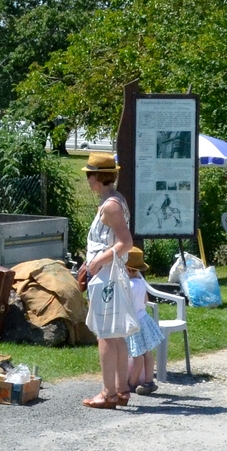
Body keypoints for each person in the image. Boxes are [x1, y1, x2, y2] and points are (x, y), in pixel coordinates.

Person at [74, 153, 137, 409]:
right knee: (117, 335)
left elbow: (126, 242)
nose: (88, 179)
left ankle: (108, 393)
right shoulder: (113, 200)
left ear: (98, 177)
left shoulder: (111, 205)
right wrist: (91, 260)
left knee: (105, 335)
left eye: (90, 174)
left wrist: (99, 261)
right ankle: (121, 390)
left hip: (107, 276)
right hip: (110, 274)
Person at [125, 246, 167, 395]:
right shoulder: (140, 281)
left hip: (133, 322)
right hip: (144, 318)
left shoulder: (128, 285)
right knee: (147, 353)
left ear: (127, 268)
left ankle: (131, 383)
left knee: (137, 355)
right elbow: (145, 299)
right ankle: (149, 381)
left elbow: (126, 304)